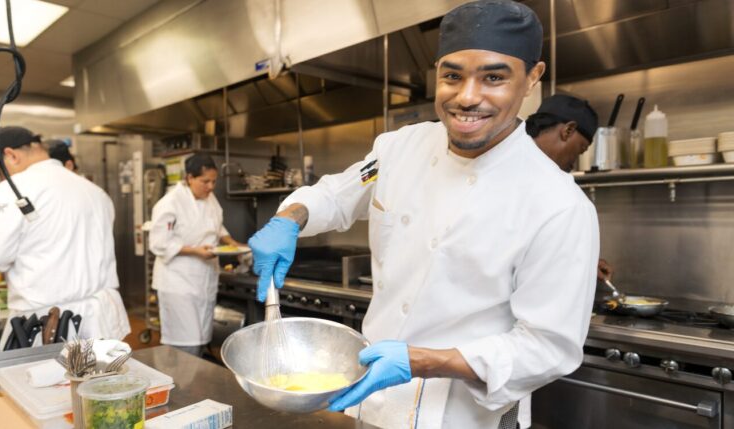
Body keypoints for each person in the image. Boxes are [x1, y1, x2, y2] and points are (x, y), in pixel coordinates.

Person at [247, 1, 599, 428]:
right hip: (372, 401)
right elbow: (338, 195)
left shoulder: (558, 204)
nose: (468, 97)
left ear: (532, 79)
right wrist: (291, 218)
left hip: (465, 415)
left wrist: (422, 361)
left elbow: (548, 348)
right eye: (452, 76)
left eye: (493, 77)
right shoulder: (400, 149)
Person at [0, 126, 130, 344]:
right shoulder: (95, 192)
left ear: (11, 156)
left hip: (46, 326)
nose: (0, 178)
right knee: (101, 377)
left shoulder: (14, 188)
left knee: (45, 378)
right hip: (100, 321)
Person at [148, 153, 245, 356]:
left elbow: (217, 228)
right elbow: (158, 243)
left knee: (200, 340)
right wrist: (195, 251)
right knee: (184, 344)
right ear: (189, 178)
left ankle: (194, 384)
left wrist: (235, 245)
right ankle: (178, 384)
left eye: (214, 181)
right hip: (178, 283)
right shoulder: (170, 203)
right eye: (205, 181)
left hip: (204, 279)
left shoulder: (210, 199)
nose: (210, 187)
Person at [525, 94, 614, 284]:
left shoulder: (539, 173)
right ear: (568, 130)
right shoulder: (520, 171)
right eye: (580, 149)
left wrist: (582, 262)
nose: (574, 162)